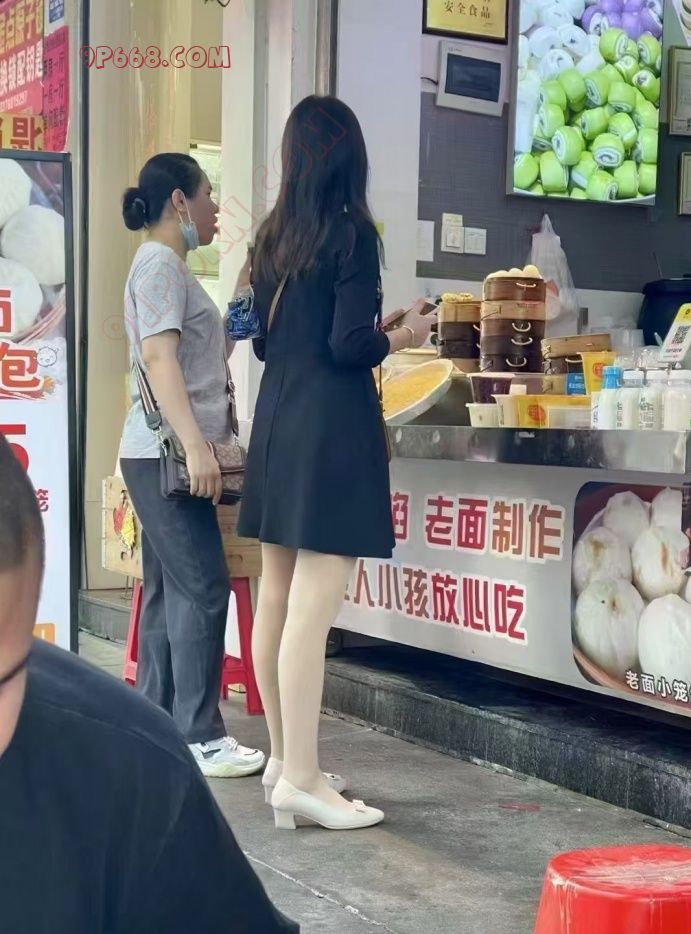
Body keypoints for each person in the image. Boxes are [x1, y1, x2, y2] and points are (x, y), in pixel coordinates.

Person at [0, 435, 299, 933]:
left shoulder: (129, 768)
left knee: (181, 589)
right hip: (173, 460)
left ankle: (192, 722)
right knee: (193, 588)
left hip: (174, 463)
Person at [238, 96, 435, 830]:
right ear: (350, 156)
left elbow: (264, 341)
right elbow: (349, 346)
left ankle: (285, 763)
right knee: (312, 610)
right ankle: (303, 779)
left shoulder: (270, 237)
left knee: (277, 598)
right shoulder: (350, 233)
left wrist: (369, 329)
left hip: (277, 420)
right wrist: (405, 335)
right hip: (329, 430)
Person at [118, 152, 264, 778]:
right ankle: (202, 736)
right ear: (179, 201)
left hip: (156, 453)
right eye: (207, 196)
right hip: (168, 456)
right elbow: (159, 359)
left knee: (168, 591)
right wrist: (197, 445)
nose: (214, 210)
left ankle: (153, 727)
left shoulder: (170, 268)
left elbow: (210, 350)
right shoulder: (159, 263)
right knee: (204, 588)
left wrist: (244, 292)